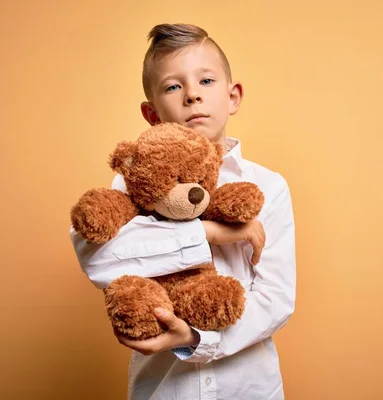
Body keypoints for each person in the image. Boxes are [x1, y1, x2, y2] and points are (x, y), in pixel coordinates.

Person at [70, 23, 296, 400]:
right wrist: (208, 234)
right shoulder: (131, 185)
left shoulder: (268, 188)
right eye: (173, 86)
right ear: (152, 114)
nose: (192, 94)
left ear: (233, 96)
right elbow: (100, 262)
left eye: (206, 81)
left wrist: (195, 339)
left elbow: (276, 298)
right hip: (164, 390)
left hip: (248, 388)